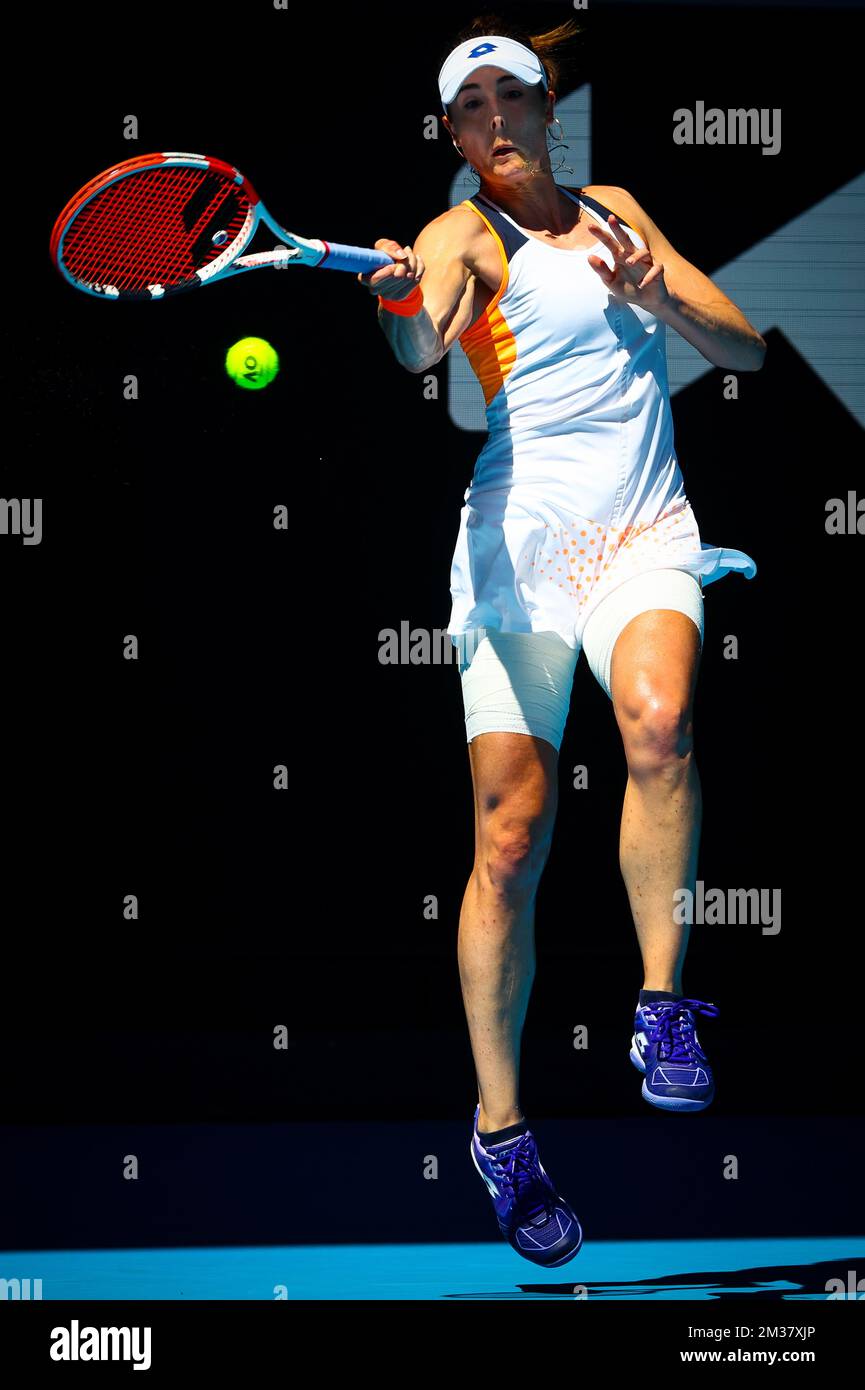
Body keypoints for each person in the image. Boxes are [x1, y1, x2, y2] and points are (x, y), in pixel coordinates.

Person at [359, 16, 765, 1268]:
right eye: (466, 107)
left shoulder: (618, 210)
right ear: (454, 136)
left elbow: (743, 343)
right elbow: (424, 339)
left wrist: (656, 292)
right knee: (510, 841)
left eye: (509, 96)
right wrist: (398, 312)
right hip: (516, 556)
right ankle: (503, 1129)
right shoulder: (455, 234)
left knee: (659, 722)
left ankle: (660, 1009)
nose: (490, 120)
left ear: (546, 110)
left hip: (641, 532)